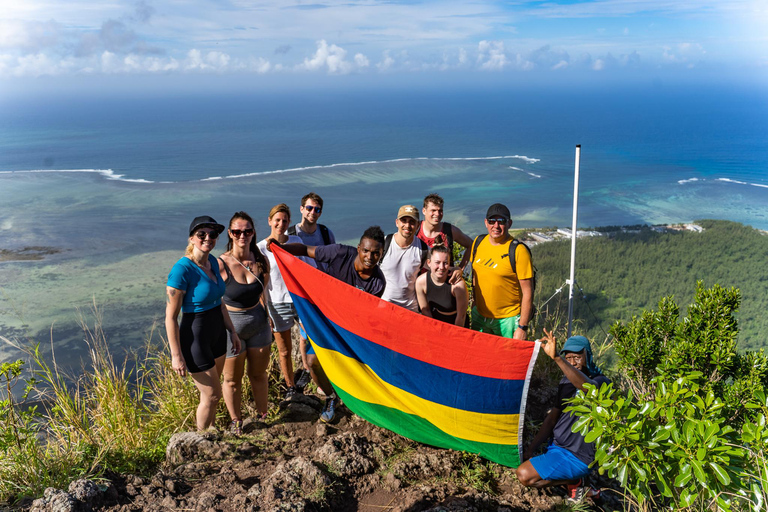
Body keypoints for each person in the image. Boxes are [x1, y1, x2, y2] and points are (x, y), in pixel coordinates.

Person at [267, 225, 386, 423]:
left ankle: (356, 402)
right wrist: (281, 249)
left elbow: (366, 316)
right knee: (313, 362)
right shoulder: (339, 253)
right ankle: (331, 398)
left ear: (381, 254)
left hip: (351, 330)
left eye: (375, 253)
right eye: (366, 251)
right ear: (358, 248)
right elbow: (305, 250)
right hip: (325, 322)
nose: (370, 257)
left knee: (352, 368)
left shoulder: (377, 283)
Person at [165, 216, 241, 431]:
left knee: (212, 396)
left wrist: (232, 331)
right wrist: (176, 355)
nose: (208, 238)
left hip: (217, 333)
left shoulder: (213, 263)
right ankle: (200, 441)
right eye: (202, 234)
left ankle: (212, 433)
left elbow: (220, 303)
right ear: (191, 238)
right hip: (195, 337)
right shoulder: (182, 270)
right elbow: (170, 317)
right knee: (212, 394)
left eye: (213, 234)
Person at [516, 331, 610, 501]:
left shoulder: (601, 381)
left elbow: (589, 388)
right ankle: (575, 485)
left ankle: (576, 480)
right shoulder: (565, 382)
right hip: (557, 447)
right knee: (529, 472)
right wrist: (531, 449)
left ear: (587, 356)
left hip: (579, 456)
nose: (573, 362)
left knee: (524, 475)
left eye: (577, 357)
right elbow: (553, 418)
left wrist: (558, 358)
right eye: (569, 358)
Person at [217, 211, 271, 434]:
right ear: (230, 233)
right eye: (237, 231)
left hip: (259, 325)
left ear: (253, 233)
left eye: (247, 231)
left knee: (259, 374)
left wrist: (269, 319)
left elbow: (264, 294)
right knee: (232, 380)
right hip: (233, 329)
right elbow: (214, 300)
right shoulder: (221, 263)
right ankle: (236, 422)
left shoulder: (261, 261)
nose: (242, 235)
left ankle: (263, 418)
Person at [257, 204, 312, 399]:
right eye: (277, 220)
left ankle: (313, 375)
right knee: (285, 350)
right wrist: (265, 311)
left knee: (313, 340)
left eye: (285, 221)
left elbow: (309, 268)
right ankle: (290, 387)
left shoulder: (295, 241)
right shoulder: (260, 249)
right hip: (277, 303)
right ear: (270, 221)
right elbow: (260, 283)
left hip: (300, 300)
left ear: (289, 222)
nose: (281, 224)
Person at [287, 192, 336, 386]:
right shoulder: (292, 234)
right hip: (300, 289)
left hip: (323, 290)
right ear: (301, 209)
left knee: (320, 328)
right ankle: (308, 369)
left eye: (317, 209)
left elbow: (334, 257)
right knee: (304, 331)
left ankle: (322, 365)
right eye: (309, 208)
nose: (312, 212)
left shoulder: (325, 233)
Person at [470, 203, 533, 340]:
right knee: (480, 357)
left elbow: (528, 291)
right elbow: (475, 276)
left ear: (509, 223)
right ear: (486, 222)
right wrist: (475, 305)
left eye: (501, 221)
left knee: (509, 359)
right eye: (492, 221)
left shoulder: (518, 251)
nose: (496, 226)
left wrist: (522, 327)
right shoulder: (478, 242)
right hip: (480, 316)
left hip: (508, 320)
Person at [379, 205, 428, 312]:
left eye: (412, 222)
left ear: (418, 225)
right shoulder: (383, 244)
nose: (407, 225)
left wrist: (456, 270)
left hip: (410, 310)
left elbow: (439, 267)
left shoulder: (423, 249)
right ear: (397, 222)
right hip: (383, 307)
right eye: (404, 221)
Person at [417, 193, 474, 283]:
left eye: (440, 210)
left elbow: (471, 244)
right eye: (433, 210)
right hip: (419, 284)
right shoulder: (416, 230)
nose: (437, 214)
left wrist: (460, 269)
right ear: (424, 211)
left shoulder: (449, 231)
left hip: (445, 285)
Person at [415, 244, 468, 326]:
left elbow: (461, 315)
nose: (441, 267)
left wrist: (455, 336)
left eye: (445, 263)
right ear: (429, 263)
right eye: (437, 262)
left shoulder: (457, 284)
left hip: (456, 322)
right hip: (435, 320)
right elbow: (425, 310)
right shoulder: (421, 282)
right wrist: (433, 329)